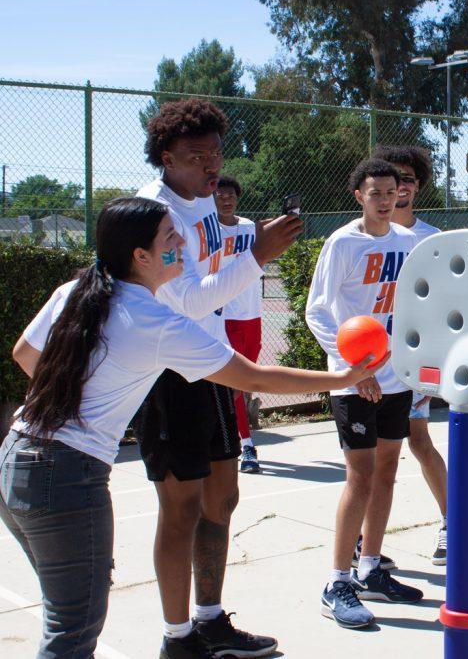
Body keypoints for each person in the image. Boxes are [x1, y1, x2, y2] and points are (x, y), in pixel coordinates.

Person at [2, 198, 384, 659]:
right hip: (66, 478)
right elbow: (255, 377)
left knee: (70, 613)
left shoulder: (74, 291)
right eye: (169, 236)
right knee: (72, 633)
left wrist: (75, 399)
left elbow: (25, 353)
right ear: (140, 256)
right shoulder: (158, 321)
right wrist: (342, 378)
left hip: (16, 458)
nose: (182, 241)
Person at [134, 99, 302, 658]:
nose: (209, 165)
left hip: (207, 359)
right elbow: (182, 301)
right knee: (178, 508)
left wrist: (252, 255)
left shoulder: (204, 203)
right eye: (194, 155)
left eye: (215, 152)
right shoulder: (153, 213)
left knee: (222, 498)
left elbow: (213, 288)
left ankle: (209, 621)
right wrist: (258, 256)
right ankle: (176, 638)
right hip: (167, 370)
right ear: (165, 157)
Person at [305, 158, 423, 630]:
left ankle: (371, 567)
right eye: (375, 192)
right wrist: (354, 371)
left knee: (388, 473)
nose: (385, 199)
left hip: (397, 378)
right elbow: (318, 311)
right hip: (356, 381)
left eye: (391, 192)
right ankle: (337, 582)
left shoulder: (409, 242)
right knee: (360, 477)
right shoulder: (342, 243)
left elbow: (418, 307)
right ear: (358, 196)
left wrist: (418, 368)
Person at [372, 144, 447, 565]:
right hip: (371, 361)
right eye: (393, 178)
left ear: (417, 187)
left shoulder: (431, 239)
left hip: (413, 360)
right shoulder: (363, 234)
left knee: (416, 441)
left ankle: (451, 522)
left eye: (408, 179)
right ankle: (369, 540)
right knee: (370, 457)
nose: (400, 187)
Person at [214, 175, 263, 474]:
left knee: (246, 384)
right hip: (226, 317)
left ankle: (235, 438)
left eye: (231, 194)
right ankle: (246, 445)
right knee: (236, 383)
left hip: (253, 316)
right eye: (220, 194)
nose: (226, 198)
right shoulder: (208, 230)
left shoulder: (249, 227)